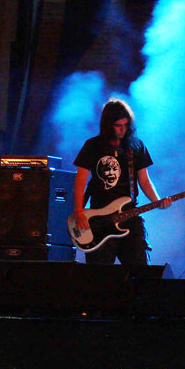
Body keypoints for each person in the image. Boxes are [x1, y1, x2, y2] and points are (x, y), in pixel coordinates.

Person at [71, 98, 171, 265]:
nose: (123, 129)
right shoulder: (93, 145)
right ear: (108, 125)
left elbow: (144, 180)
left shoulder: (136, 147)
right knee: (99, 274)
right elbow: (80, 182)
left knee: (140, 272)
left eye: (126, 125)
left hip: (129, 217)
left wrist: (157, 201)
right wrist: (79, 211)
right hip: (99, 220)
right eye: (118, 125)